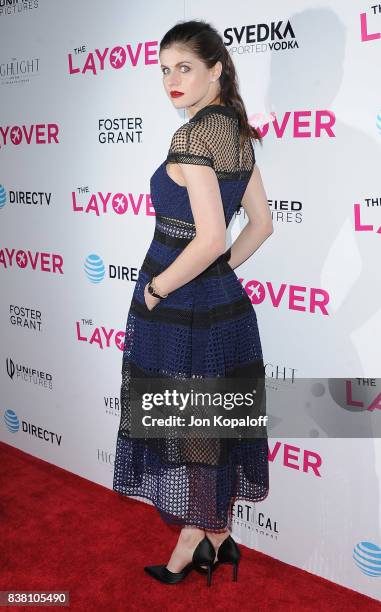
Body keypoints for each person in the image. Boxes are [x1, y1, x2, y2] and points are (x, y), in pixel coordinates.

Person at [113, 19, 273, 587]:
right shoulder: (238, 132)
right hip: (218, 304)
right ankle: (217, 537)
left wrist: (158, 288)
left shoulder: (193, 136)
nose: (171, 80)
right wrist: (217, 276)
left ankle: (193, 537)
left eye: (184, 67)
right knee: (204, 418)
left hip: (177, 304)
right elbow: (261, 226)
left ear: (216, 69)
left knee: (184, 420)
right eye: (163, 70)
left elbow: (208, 238)